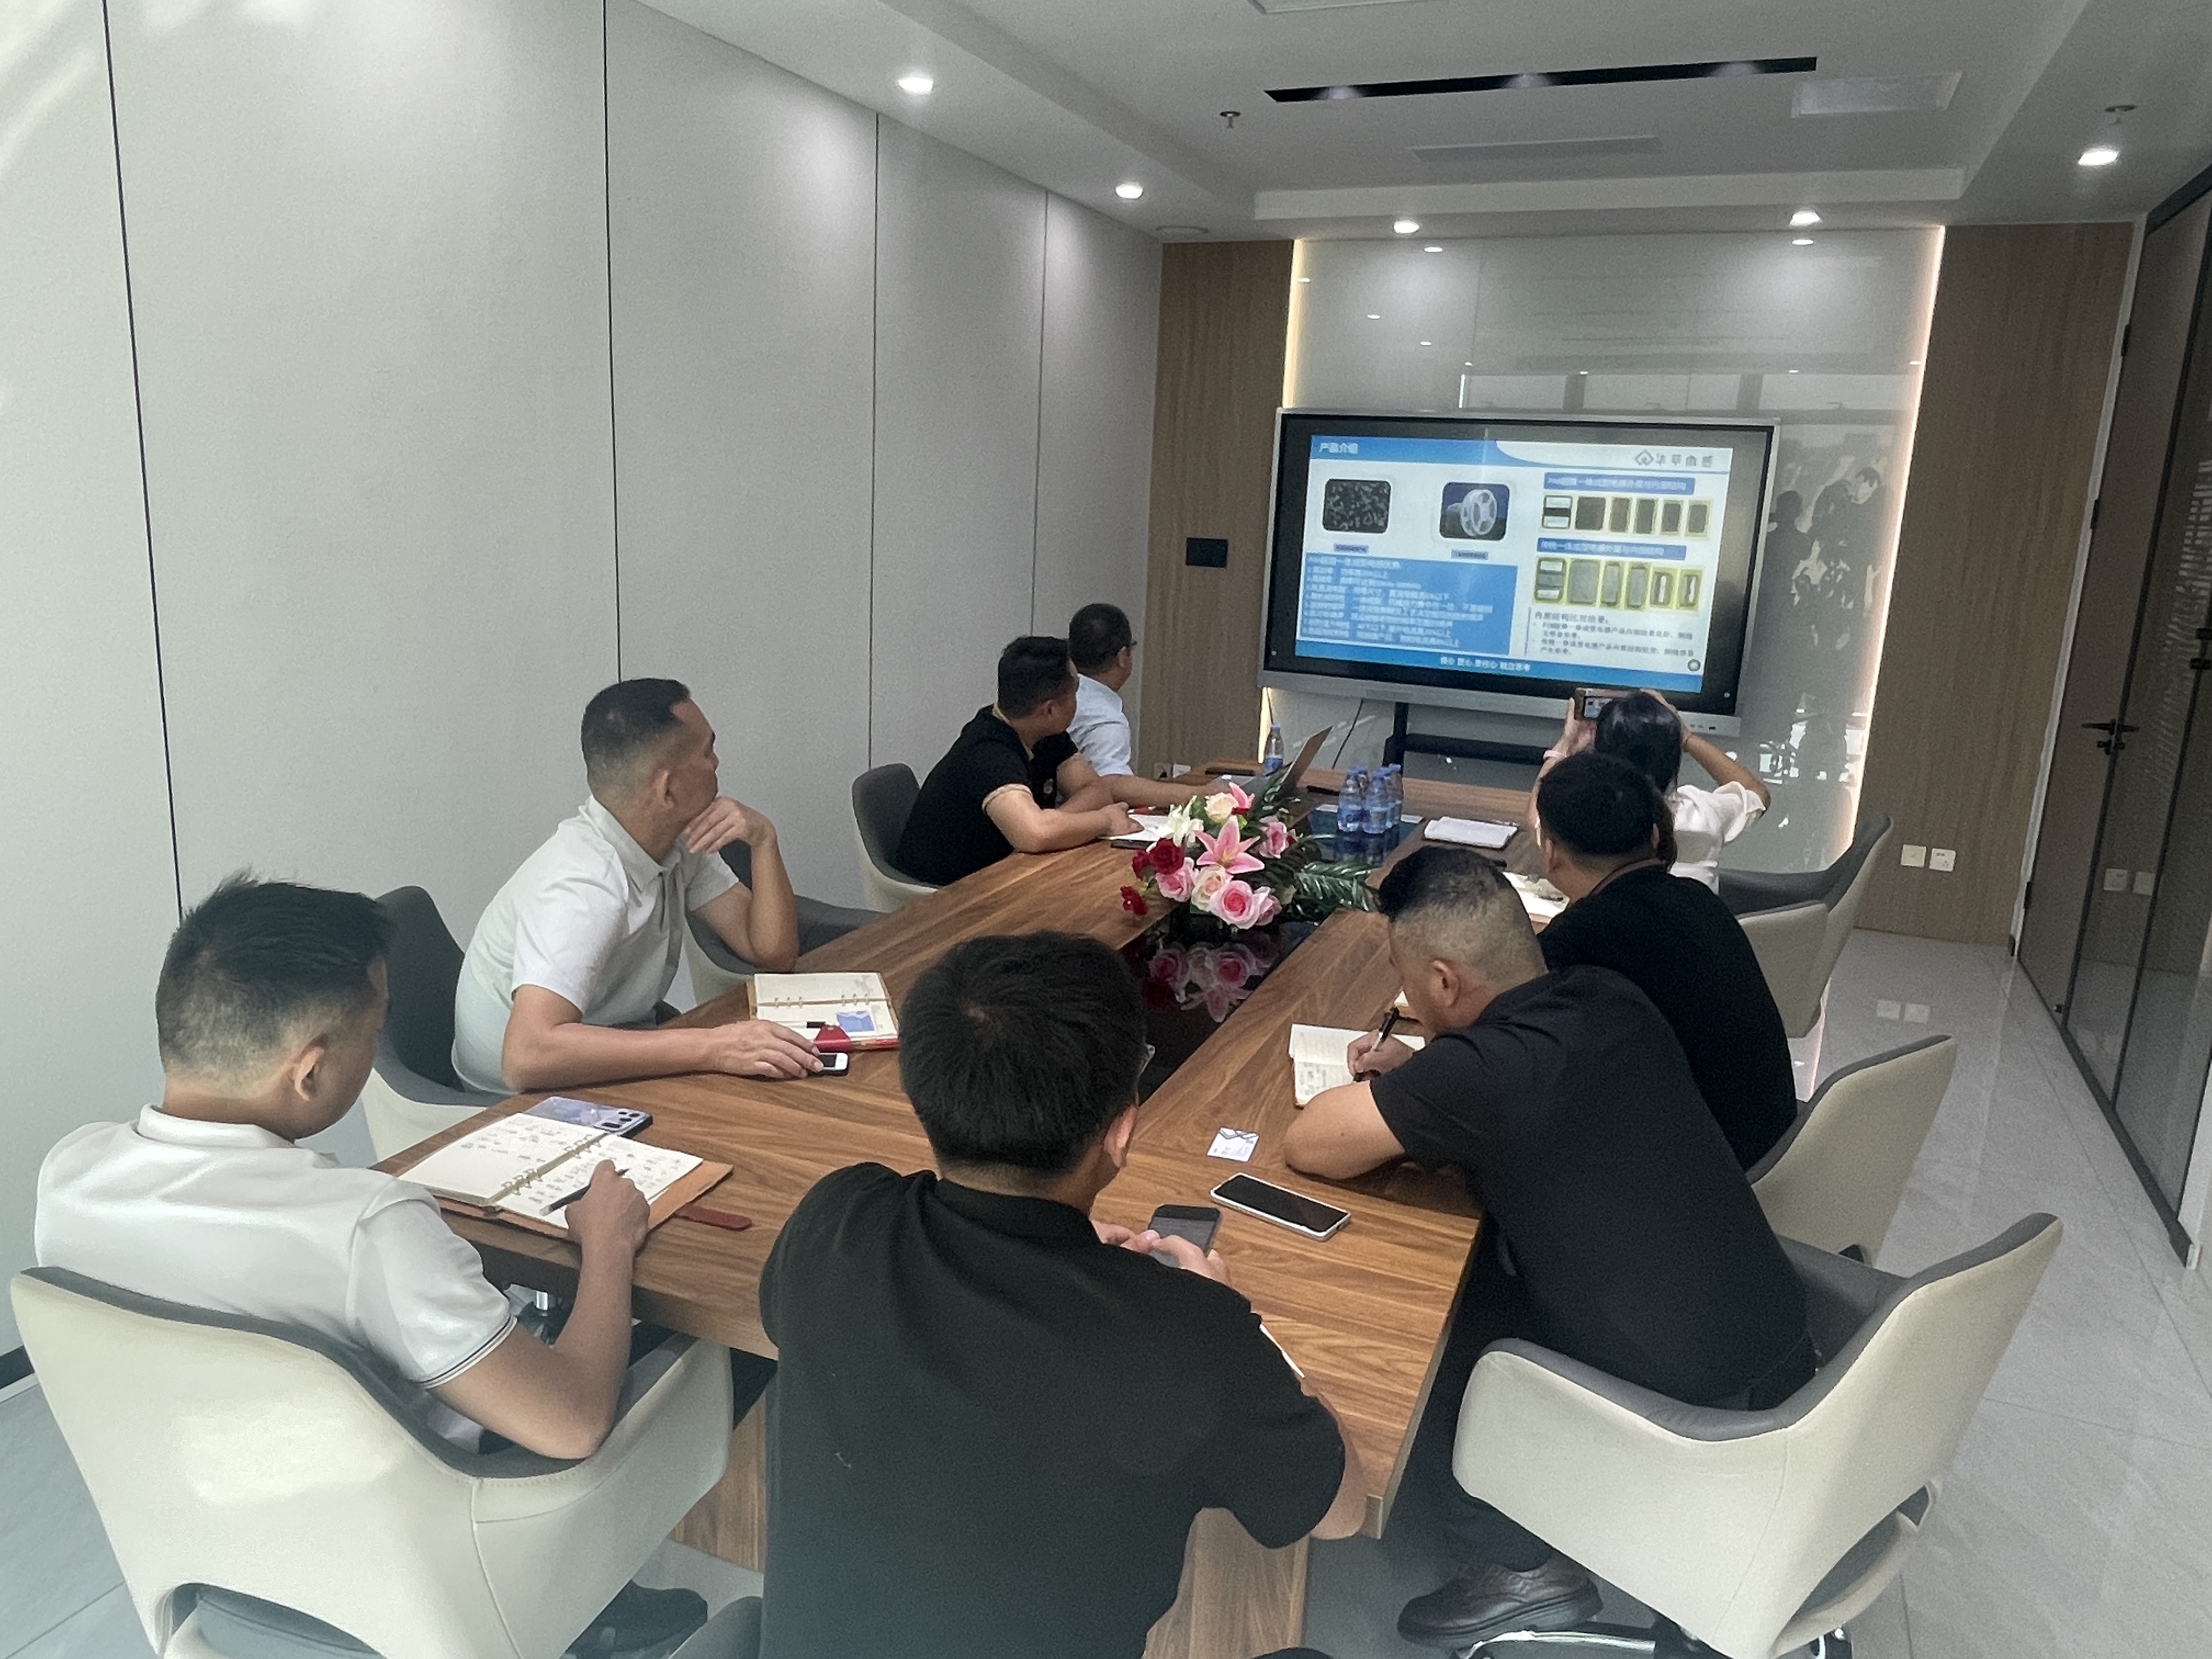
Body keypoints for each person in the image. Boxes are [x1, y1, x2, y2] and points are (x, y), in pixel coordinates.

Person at [36, 877, 704, 1654]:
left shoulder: (68, 1175)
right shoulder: (365, 1227)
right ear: (311, 1071)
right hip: (433, 1556)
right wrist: (609, 1243)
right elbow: (573, 1421)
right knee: (710, 1345)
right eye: (375, 1025)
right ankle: (588, 1615)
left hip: (215, 1536)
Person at [757, 932, 1366, 1659]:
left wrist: (1064, 1261)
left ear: (918, 1095)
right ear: (1121, 1132)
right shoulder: (1189, 1337)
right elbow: (1341, 1513)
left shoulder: (840, 1215)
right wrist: (1233, 1322)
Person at [1281, 848, 1813, 1652]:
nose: (1411, 999)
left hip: (1690, 1403)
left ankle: (1523, 1569)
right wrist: (1422, 1077)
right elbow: (1533, 1097)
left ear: (1445, 981)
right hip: (1773, 1345)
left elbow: (1311, 1143)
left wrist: (1411, 1086)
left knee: (1435, 1326)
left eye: (1407, 979)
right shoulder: (1606, 995)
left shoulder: (1483, 1075)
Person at [453, 678, 821, 1095]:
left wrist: (764, 841)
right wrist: (713, 1047)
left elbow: (771, 951)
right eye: (707, 752)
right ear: (667, 789)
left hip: (596, 1052)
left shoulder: (676, 842)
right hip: (508, 1103)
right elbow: (526, 1058)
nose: (716, 764)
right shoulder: (583, 884)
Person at [1534, 753, 1797, 1167]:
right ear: (1656, 834)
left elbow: (1510, 1054)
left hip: (1704, 1176)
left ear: (1551, 853)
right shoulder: (1698, 898)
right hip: (1773, 1147)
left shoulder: (1576, 939)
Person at [894, 636, 1136, 886]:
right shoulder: (987, 751)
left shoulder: (1042, 731)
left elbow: (1096, 790)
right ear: (1050, 709)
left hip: (1003, 873)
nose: (1079, 699)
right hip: (945, 893)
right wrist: (1105, 821)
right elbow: (1036, 834)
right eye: (1076, 691)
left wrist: (1057, 824)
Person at [1531, 690, 1770, 889]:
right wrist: (1687, 737)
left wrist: (1565, 745)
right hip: (1691, 932)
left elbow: (1537, 818)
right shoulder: (1704, 812)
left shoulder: (1588, 814)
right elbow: (1756, 792)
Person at [1066, 602, 1204, 808]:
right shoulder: (1104, 717)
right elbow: (1111, 784)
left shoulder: (1063, 693)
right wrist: (1196, 794)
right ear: (1123, 656)